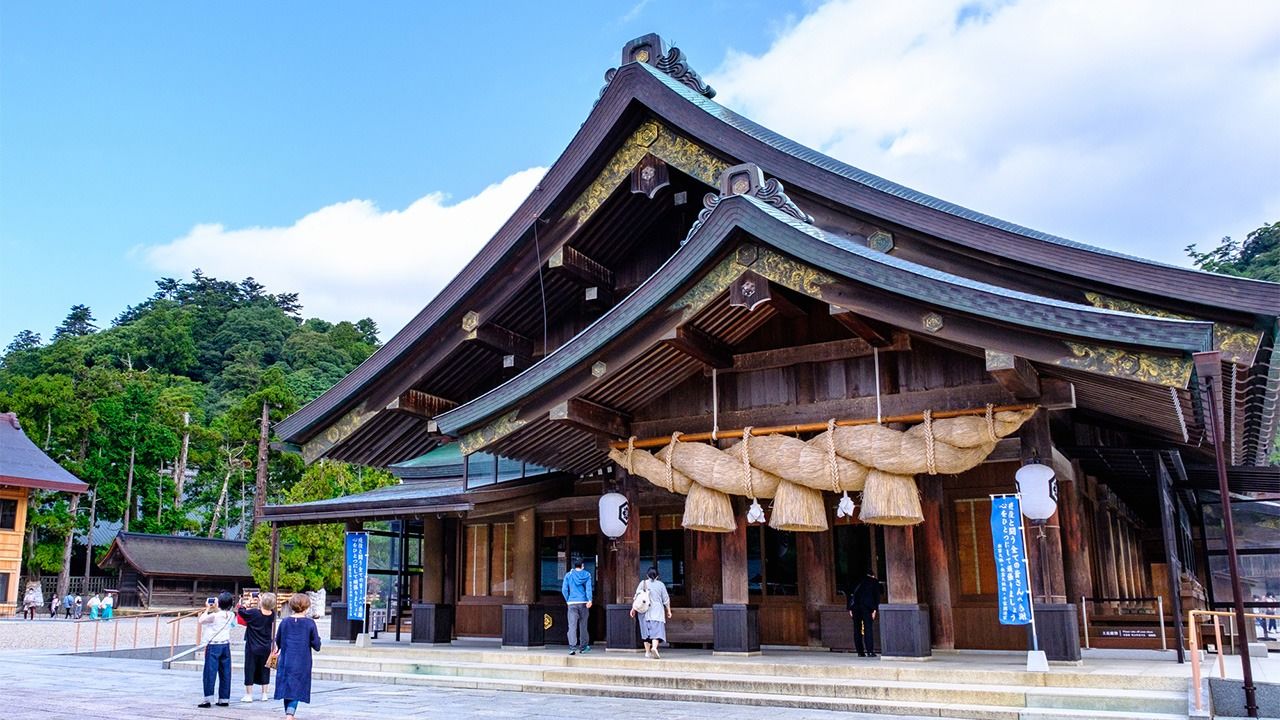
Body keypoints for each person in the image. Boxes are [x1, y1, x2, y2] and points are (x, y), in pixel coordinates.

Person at [274, 593, 322, 720]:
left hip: (286, 659)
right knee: (296, 687)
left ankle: (289, 713)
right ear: (306, 607)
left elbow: (278, 641)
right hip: (302, 661)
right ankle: (290, 715)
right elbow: (316, 645)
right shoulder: (310, 623)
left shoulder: (284, 622)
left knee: (287, 686)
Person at [197, 591, 237, 708]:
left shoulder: (215, 616)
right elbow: (227, 617)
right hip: (225, 645)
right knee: (225, 672)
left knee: (210, 672)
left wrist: (207, 608)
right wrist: (217, 607)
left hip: (213, 645)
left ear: (219, 603)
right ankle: (224, 699)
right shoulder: (231, 615)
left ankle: (208, 699)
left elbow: (201, 620)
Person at [237, 592, 277, 702]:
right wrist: (261, 601)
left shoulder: (254, 613)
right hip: (266, 647)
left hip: (252, 647)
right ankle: (264, 694)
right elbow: (266, 609)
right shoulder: (272, 614)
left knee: (250, 669)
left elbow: (241, 611)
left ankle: (249, 694)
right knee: (265, 669)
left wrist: (248, 602)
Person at [630, 566, 672, 659]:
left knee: (646, 632)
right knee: (656, 631)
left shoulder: (642, 583)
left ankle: (647, 652)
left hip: (644, 611)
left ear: (647, 575)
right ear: (657, 576)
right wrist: (669, 610)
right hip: (657, 611)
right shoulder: (660, 585)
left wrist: (633, 609)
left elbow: (637, 597)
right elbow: (666, 599)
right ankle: (654, 648)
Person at [561, 557, 593, 655]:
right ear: (582, 566)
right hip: (583, 603)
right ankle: (583, 647)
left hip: (572, 603)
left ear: (575, 566)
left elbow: (564, 589)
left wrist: (568, 600)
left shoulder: (568, 575)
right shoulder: (587, 575)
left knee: (572, 626)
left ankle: (572, 647)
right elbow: (588, 588)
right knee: (583, 625)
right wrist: (590, 599)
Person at [848, 571, 881, 658]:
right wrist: (875, 610)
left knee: (857, 629)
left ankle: (860, 652)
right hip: (867, 607)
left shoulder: (855, 580)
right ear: (872, 575)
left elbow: (850, 594)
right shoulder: (874, 581)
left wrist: (849, 608)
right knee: (868, 629)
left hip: (855, 607)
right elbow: (876, 596)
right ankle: (870, 651)